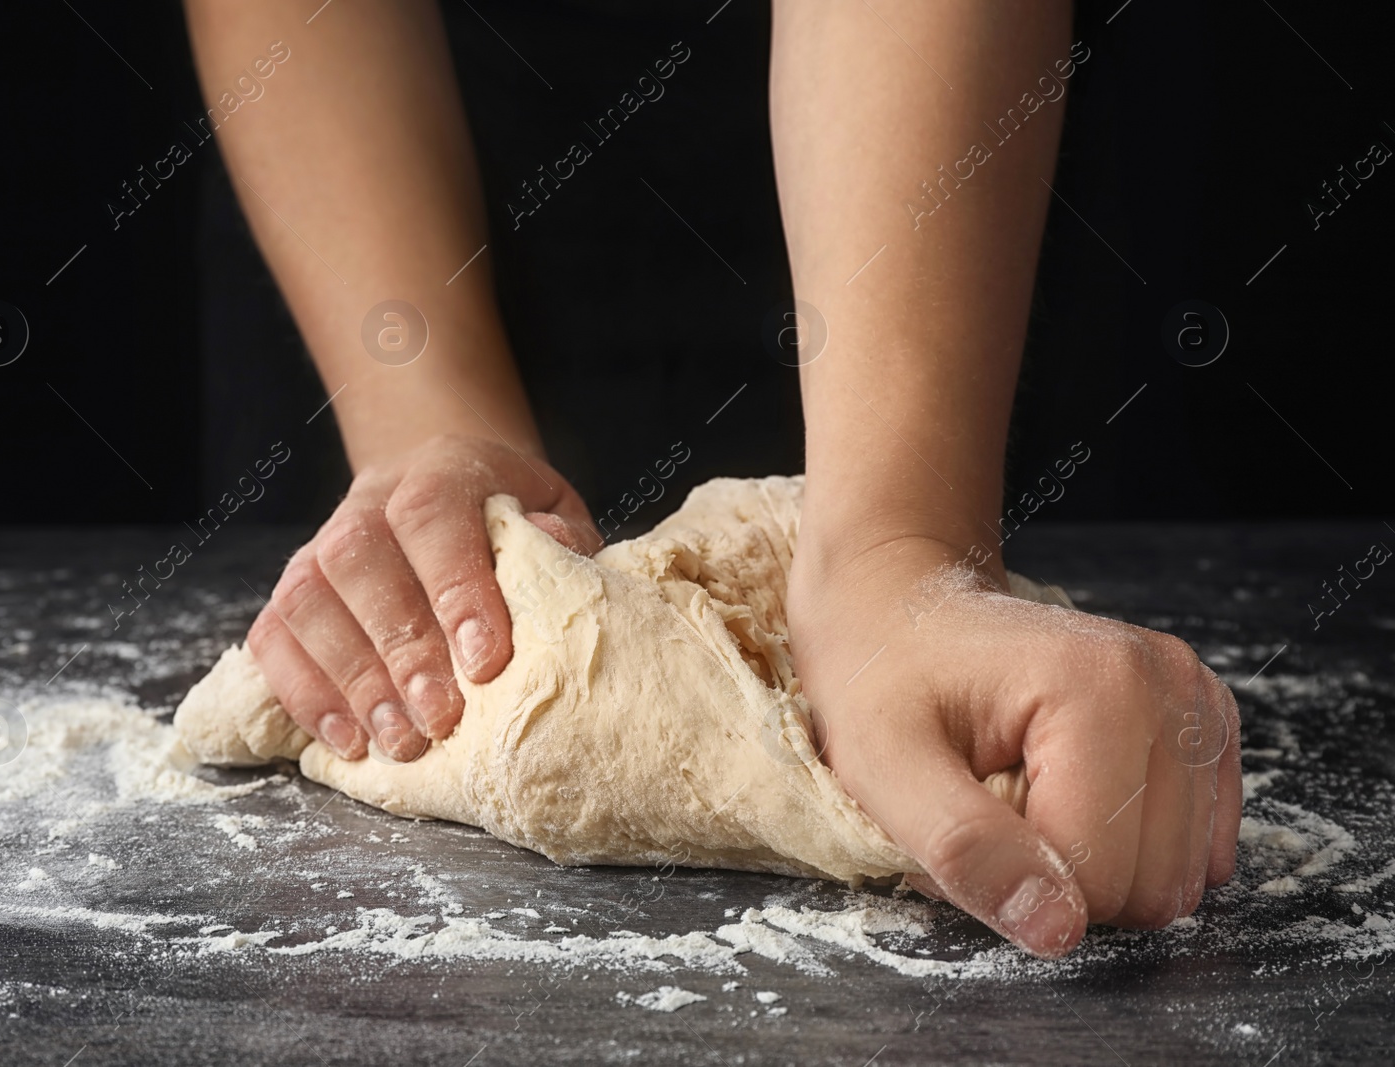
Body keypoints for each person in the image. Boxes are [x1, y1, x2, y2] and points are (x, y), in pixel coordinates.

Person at [182, 0, 1241, 959]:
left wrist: (902, 542)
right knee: (410, 595)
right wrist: (424, 427)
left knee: (1015, 704)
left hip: (947, 171)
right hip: (397, 198)